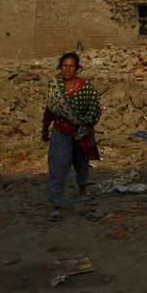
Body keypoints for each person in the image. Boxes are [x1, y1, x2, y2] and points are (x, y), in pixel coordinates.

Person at [41, 51, 101, 222]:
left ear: (77, 69)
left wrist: (86, 124)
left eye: (71, 66)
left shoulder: (86, 88)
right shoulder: (55, 88)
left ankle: (83, 191)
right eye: (64, 66)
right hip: (61, 132)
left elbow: (95, 109)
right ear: (60, 67)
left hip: (81, 132)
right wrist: (45, 129)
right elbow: (49, 110)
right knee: (58, 166)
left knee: (81, 162)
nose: (67, 69)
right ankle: (56, 204)